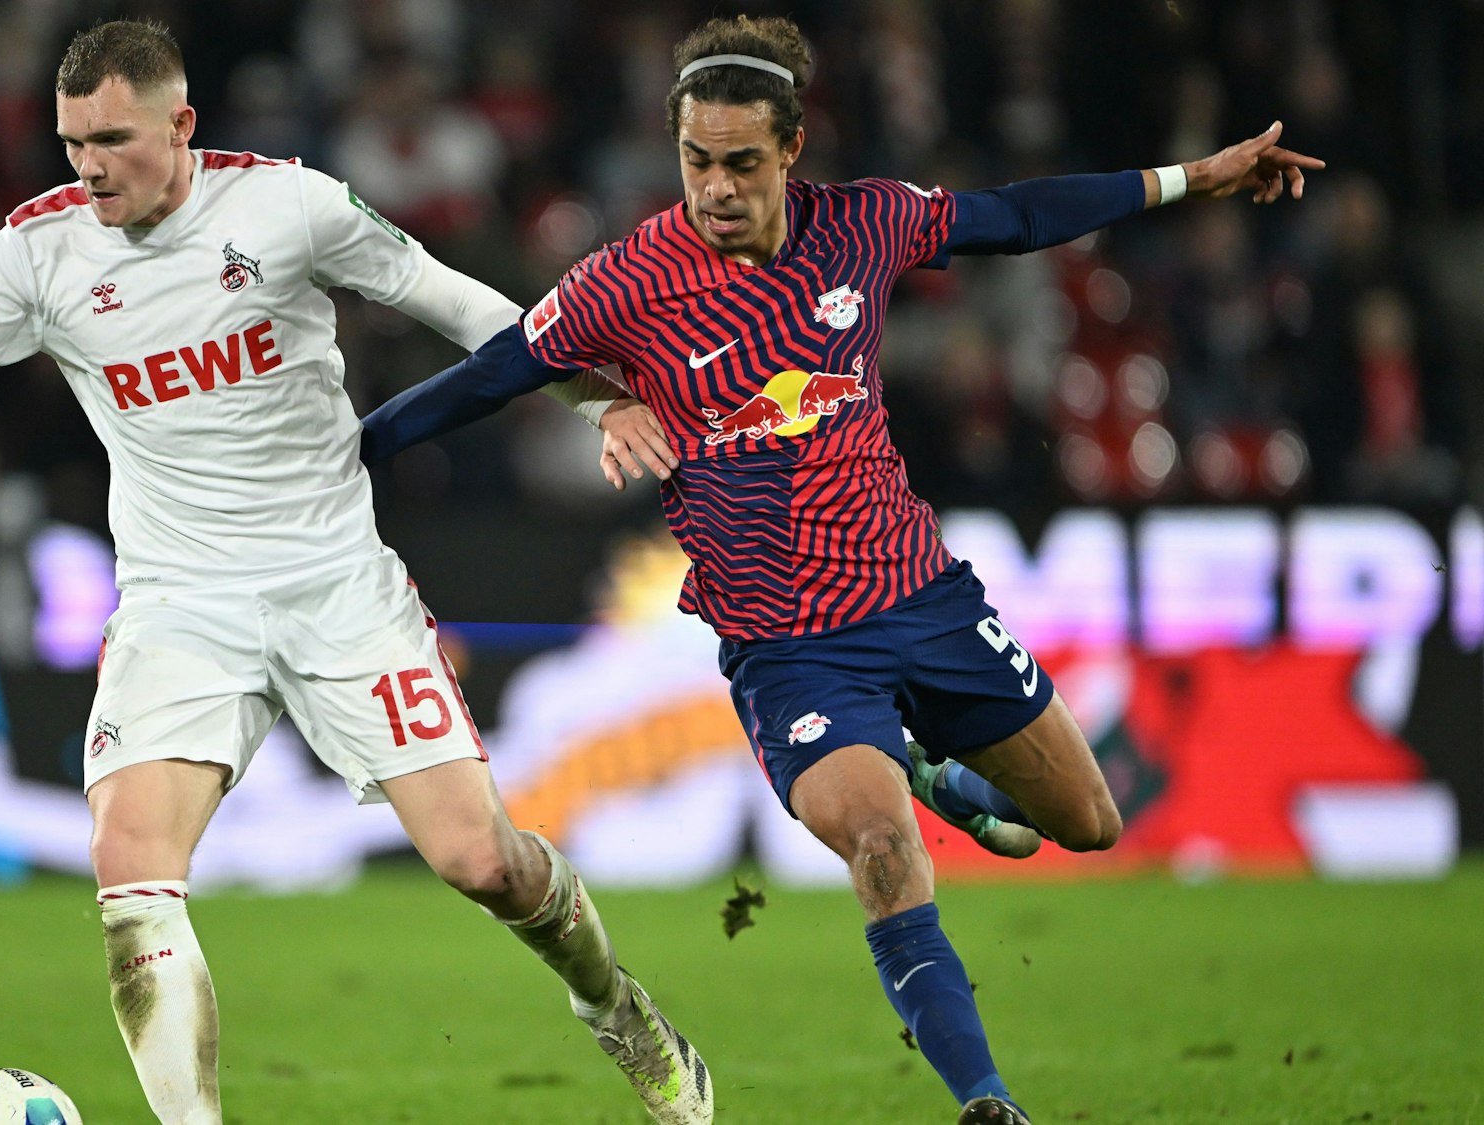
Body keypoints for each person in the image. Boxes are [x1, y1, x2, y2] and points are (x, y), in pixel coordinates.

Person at [358, 15, 1324, 1125]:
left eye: (738, 163)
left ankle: (923, 763)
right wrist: (345, 453)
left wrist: (1186, 180)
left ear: (788, 152)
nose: (713, 188)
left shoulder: (864, 225)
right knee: (879, 847)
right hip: (786, 649)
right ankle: (985, 1100)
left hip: (922, 597)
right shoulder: (623, 284)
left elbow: (1013, 218)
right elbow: (483, 379)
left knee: (1086, 824)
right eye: (694, 161)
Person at [0, 20, 710, 1125]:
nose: (86, 168)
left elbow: (456, 303)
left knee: (478, 860)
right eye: (71, 143)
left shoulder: (286, 207)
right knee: (129, 865)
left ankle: (618, 1011)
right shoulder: (38, 250)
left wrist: (593, 396)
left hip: (336, 586)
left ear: (182, 125)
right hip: (178, 603)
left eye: (111, 139)